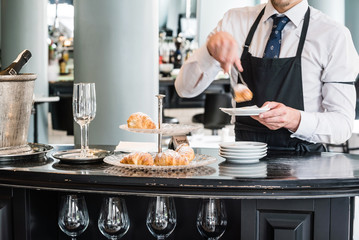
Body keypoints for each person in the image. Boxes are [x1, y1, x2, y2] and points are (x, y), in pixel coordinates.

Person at [175, 0, 359, 152]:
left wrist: (295, 120)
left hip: (304, 173)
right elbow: (184, 89)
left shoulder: (333, 35)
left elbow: (342, 125)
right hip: (242, 164)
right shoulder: (234, 21)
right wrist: (209, 51)